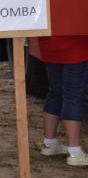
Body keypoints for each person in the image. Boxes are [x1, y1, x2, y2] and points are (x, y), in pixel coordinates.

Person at [38, 35, 88, 166]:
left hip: (51, 44)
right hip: (77, 45)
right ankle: (75, 152)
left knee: (55, 92)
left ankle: (50, 143)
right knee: (73, 96)